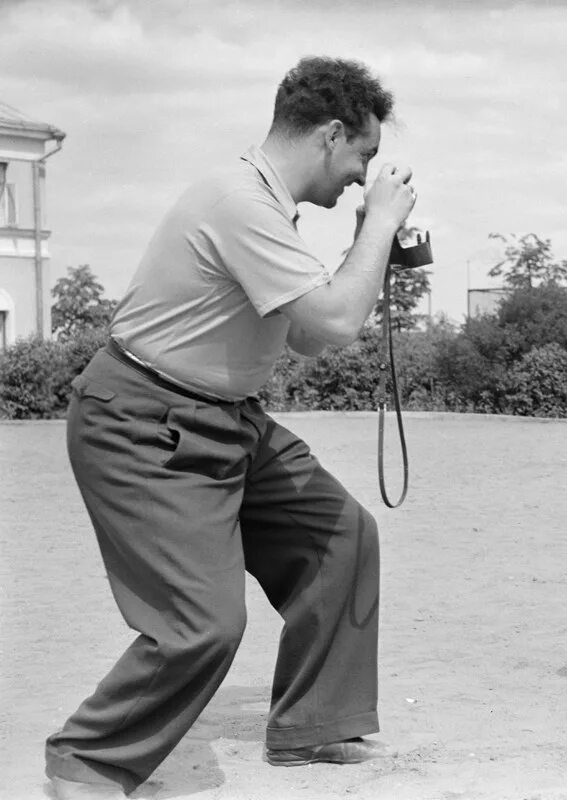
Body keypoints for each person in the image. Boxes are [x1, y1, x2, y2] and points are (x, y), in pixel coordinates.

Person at [44, 57, 418, 800]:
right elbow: (340, 321)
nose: (361, 176)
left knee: (340, 535)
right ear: (332, 133)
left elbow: (312, 335)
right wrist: (380, 223)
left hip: (227, 422)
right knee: (201, 624)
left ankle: (313, 725)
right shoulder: (239, 202)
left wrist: (364, 247)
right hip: (145, 422)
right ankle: (85, 764)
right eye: (362, 157)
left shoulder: (270, 212)